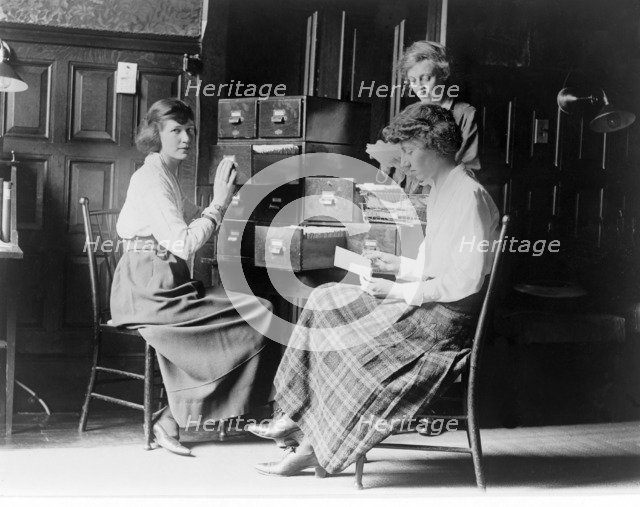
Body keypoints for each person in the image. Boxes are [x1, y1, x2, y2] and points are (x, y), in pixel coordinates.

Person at [246, 104, 499, 477]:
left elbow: (467, 282)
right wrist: (396, 268)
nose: (405, 161)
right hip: (428, 306)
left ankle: (310, 445)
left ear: (439, 146)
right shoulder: (442, 191)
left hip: (443, 324)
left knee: (343, 339)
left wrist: (398, 292)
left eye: (410, 152)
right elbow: (439, 268)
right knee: (324, 299)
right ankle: (294, 417)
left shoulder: (469, 196)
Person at [110, 98, 280, 456]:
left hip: (166, 283)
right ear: (155, 134)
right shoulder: (151, 179)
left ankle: (230, 412)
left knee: (259, 305)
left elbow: (186, 222)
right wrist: (219, 203)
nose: (186, 137)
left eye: (190, 130)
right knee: (255, 311)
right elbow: (184, 243)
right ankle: (174, 416)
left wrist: (225, 204)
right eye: (175, 130)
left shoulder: (164, 174)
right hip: (148, 292)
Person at [376, 40, 481, 193]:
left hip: (443, 201)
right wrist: (386, 164)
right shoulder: (408, 113)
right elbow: (393, 177)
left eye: (425, 78)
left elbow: (469, 171)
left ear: (443, 74)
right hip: (408, 203)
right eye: (413, 81)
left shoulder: (465, 114)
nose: (419, 87)